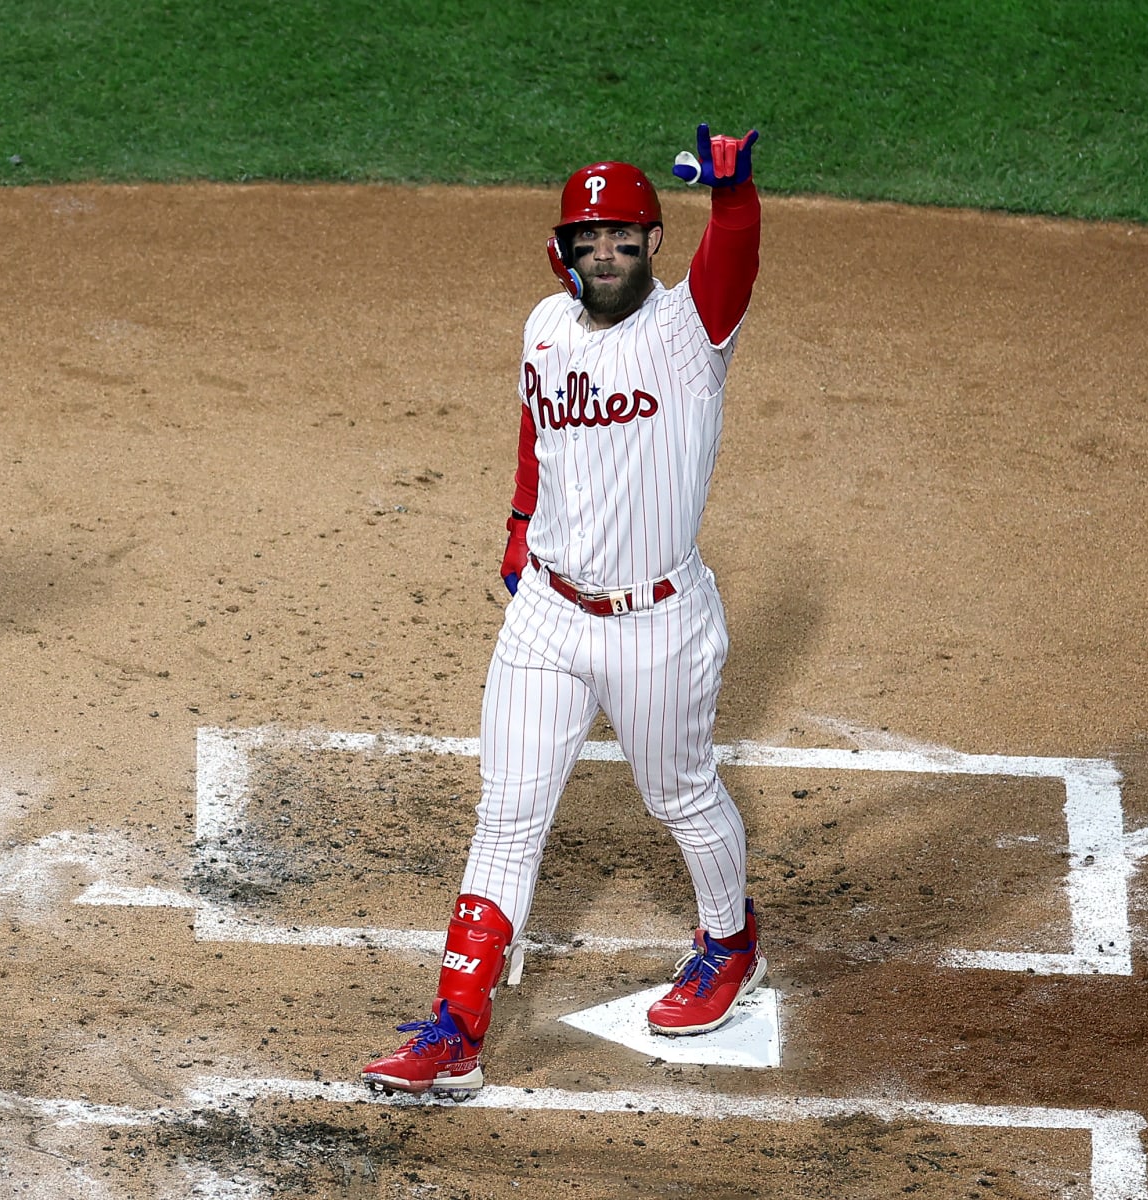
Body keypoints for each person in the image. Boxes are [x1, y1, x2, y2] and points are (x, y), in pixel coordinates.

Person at [361, 124, 764, 1098]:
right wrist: (517, 522)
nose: (607, 253)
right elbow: (536, 429)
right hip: (547, 615)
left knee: (679, 796)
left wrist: (734, 196)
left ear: (653, 242)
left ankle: (729, 944)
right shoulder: (544, 324)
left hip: (656, 624)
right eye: (590, 238)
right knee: (506, 817)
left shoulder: (688, 332)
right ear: (564, 247)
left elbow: (733, 265)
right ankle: (454, 1032)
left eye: (624, 237)